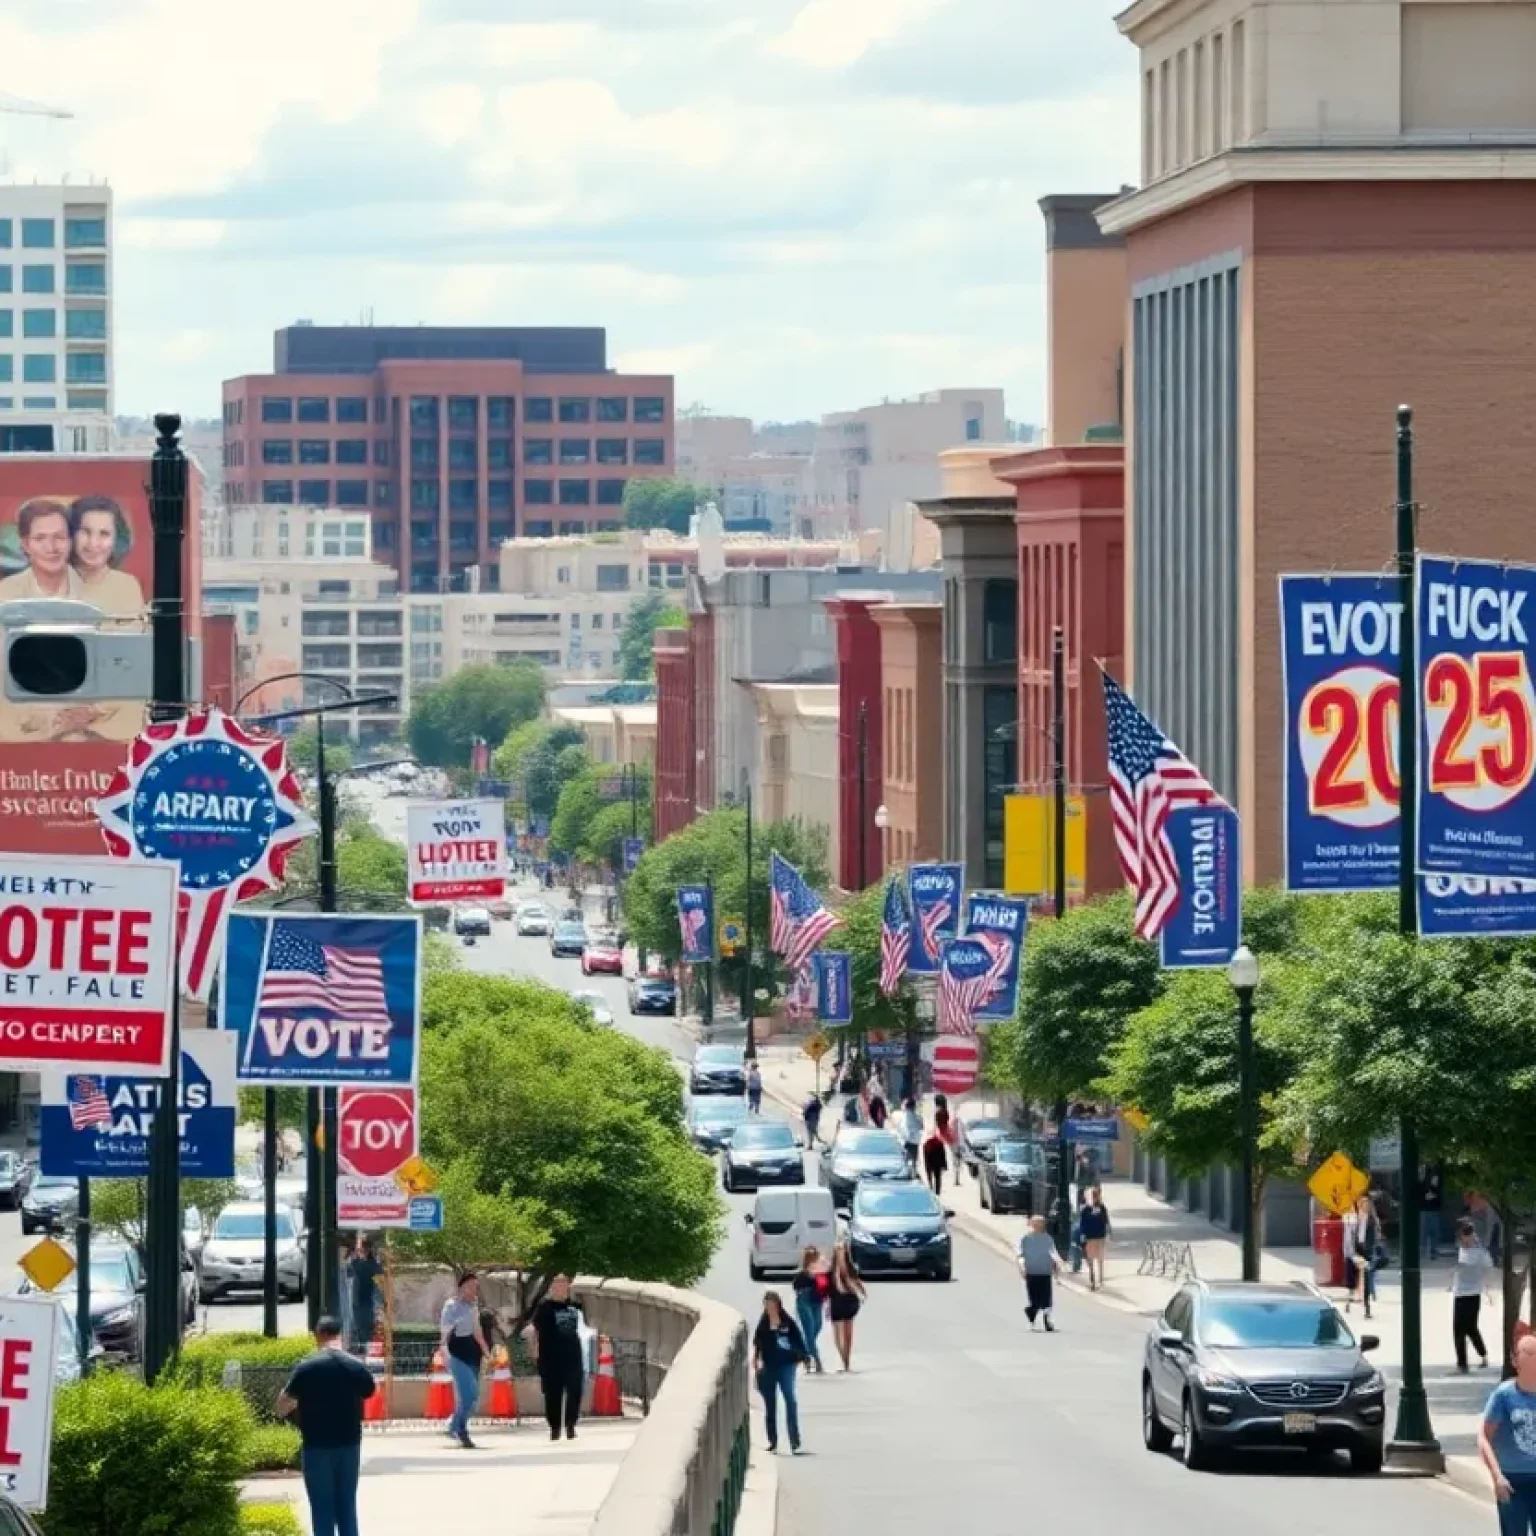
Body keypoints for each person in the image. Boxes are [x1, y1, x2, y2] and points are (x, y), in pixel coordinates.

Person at [276, 1315, 375, 1536]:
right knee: (346, 1505)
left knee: (322, 1508)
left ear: (318, 1335)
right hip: (349, 1445)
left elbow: (284, 1404)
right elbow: (369, 1391)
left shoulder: (307, 1367)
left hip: (316, 1446)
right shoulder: (355, 1366)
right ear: (341, 1335)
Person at [1478, 1332, 1536, 1530]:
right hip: (1512, 1480)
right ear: (1516, 1360)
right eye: (1526, 1354)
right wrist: (1497, 1476)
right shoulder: (1504, 1395)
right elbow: (1484, 1437)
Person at [530, 1273, 588, 1441]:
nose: (561, 1286)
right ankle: (555, 1427)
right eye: (558, 1283)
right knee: (552, 1393)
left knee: (575, 1390)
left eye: (564, 1282)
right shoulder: (544, 1307)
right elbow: (536, 1331)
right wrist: (535, 1351)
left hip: (573, 1354)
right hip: (550, 1356)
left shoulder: (576, 1306)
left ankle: (571, 1425)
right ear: (551, 1287)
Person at [752, 1291, 807, 1454]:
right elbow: (758, 1342)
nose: (770, 1308)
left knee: (790, 1399)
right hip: (769, 1366)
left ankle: (794, 1439)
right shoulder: (763, 1324)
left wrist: (801, 1356)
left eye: (772, 1304)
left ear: (778, 1304)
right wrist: (756, 1359)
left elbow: (798, 1339)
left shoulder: (787, 1322)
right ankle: (773, 1440)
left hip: (786, 1365)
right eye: (767, 1305)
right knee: (770, 1405)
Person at [70, 495, 144, 614]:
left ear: (117, 539)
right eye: (86, 532)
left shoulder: (127, 586)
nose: (93, 543)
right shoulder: (49, 579)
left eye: (104, 534)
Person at [439, 1270, 489, 1449]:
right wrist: (443, 1350)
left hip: (472, 1352)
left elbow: (477, 1331)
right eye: (470, 1286)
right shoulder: (451, 1305)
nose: (474, 1290)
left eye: (476, 1286)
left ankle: (454, 1424)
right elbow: (445, 1330)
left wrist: (486, 1351)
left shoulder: (473, 1307)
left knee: (473, 1397)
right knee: (468, 1395)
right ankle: (461, 1429)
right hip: (456, 1351)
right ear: (461, 1287)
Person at [1451, 1218, 1494, 1374]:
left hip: (1473, 1293)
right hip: (1459, 1293)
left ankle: (1483, 1354)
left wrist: (1489, 1290)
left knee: (1470, 1327)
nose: (1464, 1239)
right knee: (1458, 1329)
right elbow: (1457, 1268)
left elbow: (1488, 1268)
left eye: (1467, 1235)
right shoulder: (1460, 1249)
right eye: (1462, 1235)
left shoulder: (1480, 1252)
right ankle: (1462, 1364)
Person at [1017, 1214, 1064, 1332]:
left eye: (1041, 1224)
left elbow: (1053, 1252)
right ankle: (1031, 1319)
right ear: (1031, 1224)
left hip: (1045, 1272)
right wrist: (1022, 1266)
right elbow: (1020, 1255)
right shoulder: (1025, 1238)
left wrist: (1058, 1262)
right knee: (1034, 1300)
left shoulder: (1048, 1238)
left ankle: (1047, 1320)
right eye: (1036, 1224)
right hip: (1032, 1272)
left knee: (1047, 1299)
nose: (1038, 1226)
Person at [826, 1241, 866, 1372]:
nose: (840, 1251)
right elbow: (833, 1288)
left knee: (848, 1335)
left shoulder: (850, 1267)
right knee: (837, 1337)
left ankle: (846, 1363)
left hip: (849, 1302)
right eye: (837, 1249)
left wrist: (862, 1292)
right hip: (836, 1303)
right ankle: (843, 1358)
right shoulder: (831, 1269)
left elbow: (857, 1281)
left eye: (842, 1249)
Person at [1344, 1192, 1382, 1320]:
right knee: (1352, 1280)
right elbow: (1348, 1237)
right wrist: (1351, 1253)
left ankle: (1367, 1308)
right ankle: (1349, 1302)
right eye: (1363, 1204)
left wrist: (1371, 1252)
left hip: (1366, 1251)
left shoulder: (1372, 1220)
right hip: (1354, 1250)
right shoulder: (1352, 1218)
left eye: (1367, 1204)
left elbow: (1376, 1237)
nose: (1365, 1206)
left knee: (1365, 1279)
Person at [791, 1246, 826, 1374]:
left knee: (818, 1326)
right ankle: (816, 1360)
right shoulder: (803, 1274)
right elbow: (796, 1286)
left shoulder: (820, 1271)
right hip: (805, 1301)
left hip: (817, 1301)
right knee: (809, 1331)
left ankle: (803, 1352)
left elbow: (825, 1285)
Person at [346, 1238, 383, 1353]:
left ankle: (363, 1348)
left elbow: (379, 1284)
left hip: (365, 1302)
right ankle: (362, 1348)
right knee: (361, 1326)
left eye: (363, 1249)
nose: (362, 1251)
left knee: (364, 1327)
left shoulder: (370, 1265)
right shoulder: (359, 1264)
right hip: (360, 1301)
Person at [1078, 1185, 1111, 1291]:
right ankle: (1093, 1279)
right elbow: (1082, 1223)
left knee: (1100, 1258)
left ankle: (1100, 1279)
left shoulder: (1102, 1207)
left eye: (1095, 1196)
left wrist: (1107, 1232)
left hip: (1100, 1236)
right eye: (1091, 1196)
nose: (1093, 1198)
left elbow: (1106, 1221)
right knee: (1091, 1258)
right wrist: (1083, 1234)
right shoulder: (1085, 1209)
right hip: (1090, 1237)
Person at [934, 1094, 959, 1186]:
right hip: (949, 1135)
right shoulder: (946, 1111)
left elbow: (938, 1125)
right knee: (953, 1157)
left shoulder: (938, 1112)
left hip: (943, 1135)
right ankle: (956, 1178)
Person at [1421, 1164, 1445, 1261]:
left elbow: (1433, 1195)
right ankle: (1429, 1251)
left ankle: (1431, 1251)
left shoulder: (1434, 1183)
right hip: (1428, 1210)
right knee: (1428, 1231)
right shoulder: (1428, 1183)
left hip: (1432, 1210)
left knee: (1432, 1232)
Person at [921, 1124, 947, 1197]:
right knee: (938, 1177)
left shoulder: (926, 1143)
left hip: (929, 1163)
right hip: (938, 1163)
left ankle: (931, 1189)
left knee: (930, 1176)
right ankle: (937, 1192)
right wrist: (944, 1165)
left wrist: (926, 1166)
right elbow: (943, 1154)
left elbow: (925, 1157)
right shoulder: (939, 1142)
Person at [897, 1097, 922, 1172]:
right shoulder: (915, 1116)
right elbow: (920, 1126)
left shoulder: (904, 1116)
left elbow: (900, 1129)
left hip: (906, 1142)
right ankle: (913, 1171)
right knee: (913, 1161)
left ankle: (908, 1172)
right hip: (913, 1142)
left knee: (906, 1161)